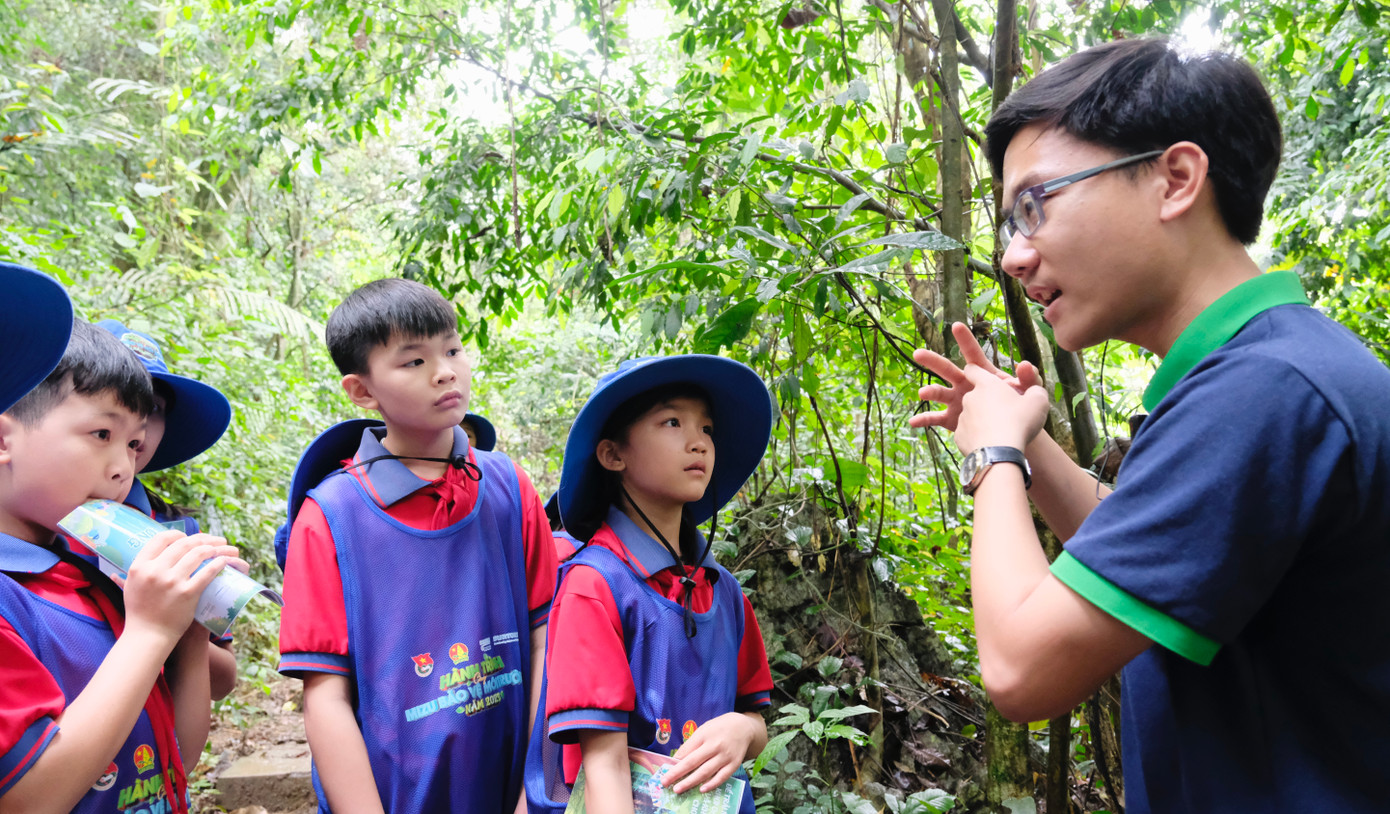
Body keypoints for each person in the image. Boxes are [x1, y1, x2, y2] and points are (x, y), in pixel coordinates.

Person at [910, 38, 1390, 813]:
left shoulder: (1260, 395)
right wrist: (1029, 440)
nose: (1014, 257)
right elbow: (1147, 551)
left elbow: (1022, 672)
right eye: (1008, 224)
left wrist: (993, 455)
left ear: (1174, 179)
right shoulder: (1276, 367)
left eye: (1034, 205)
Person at [276, 277, 558, 814]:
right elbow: (325, 695)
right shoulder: (330, 517)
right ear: (362, 390)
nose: (446, 370)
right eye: (414, 361)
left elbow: (546, 638)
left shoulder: (507, 487)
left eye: (452, 349)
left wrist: (537, 788)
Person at [0, 318, 239, 813]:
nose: (123, 468)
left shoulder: (90, 573)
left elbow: (172, 764)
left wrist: (190, 632)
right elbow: (27, 800)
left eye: (133, 445)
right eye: (101, 433)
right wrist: (150, 632)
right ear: (4, 440)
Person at [529, 355, 774, 814]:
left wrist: (744, 731)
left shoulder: (723, 591)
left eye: (706, 429)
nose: (698, 442)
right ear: (613, 455)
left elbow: (754, 717)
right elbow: (604, 765)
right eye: (672, 422)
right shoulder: (594, 586)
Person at [97, 320, 237, 701]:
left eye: (153, 408)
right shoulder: (38, 520)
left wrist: (171, 622)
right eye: (118, 399)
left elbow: (224, 680)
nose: (137, 422)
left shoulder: (176, 534)